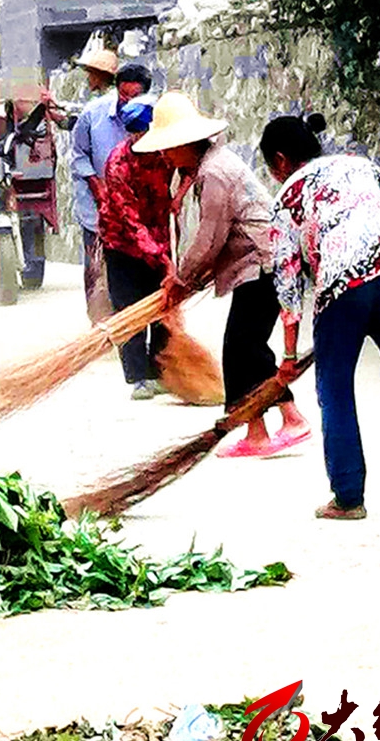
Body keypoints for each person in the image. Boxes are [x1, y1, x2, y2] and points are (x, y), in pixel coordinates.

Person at [260, 113, 380, 519]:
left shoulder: (287, 198)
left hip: (340, 292)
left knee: (336, 391)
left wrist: (289, 358)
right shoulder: (360, 166)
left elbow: (288, 285)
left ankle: (349, 497)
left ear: (280, 160)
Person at [136, 92, 311, 456]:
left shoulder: (215, 172)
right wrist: (187, 279)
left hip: (263, 264)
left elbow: (210, 237)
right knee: (241, 349)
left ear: (186, 143)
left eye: (168, 148)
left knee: (244, 347)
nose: (165, 156)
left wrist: (181, 280)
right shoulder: (209, 168)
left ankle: (291, 418)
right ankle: (257, 432)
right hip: (256, 264)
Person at [99, 100, 176, 400]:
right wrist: (161, 257)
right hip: (123, 244)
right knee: (129, 309)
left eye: (143, 131)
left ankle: (162, 369)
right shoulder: (118, 164)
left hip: (159, 236)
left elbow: (190, 169)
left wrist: (180, 195)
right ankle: (138, 376)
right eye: (133, 133)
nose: (138, 138)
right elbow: (130, 220)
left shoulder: (165, 154)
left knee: (163, 307)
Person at [70, 60, 148, 319]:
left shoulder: (154, 117)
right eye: (123, 95)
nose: (128, 103)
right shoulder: (93, 114)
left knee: (137, 266)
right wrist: (96, 184)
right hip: (98, 207)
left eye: (135, 97)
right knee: (95, 265)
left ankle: (134, 319)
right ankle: (100, 324)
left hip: (139, 209)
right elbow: (79, 153)